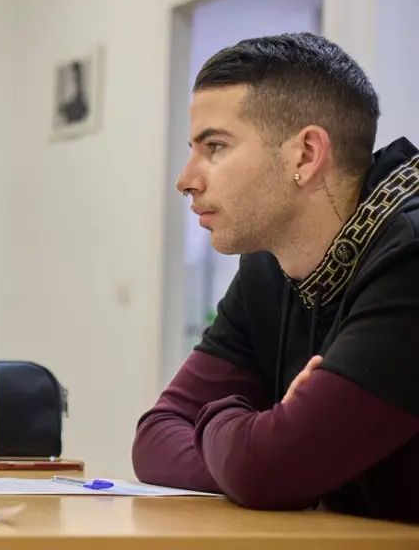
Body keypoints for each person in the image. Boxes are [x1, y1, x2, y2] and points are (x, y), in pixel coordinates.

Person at [132, 32, 419, 523]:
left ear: (306, 155)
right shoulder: (271, 263)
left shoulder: (411, 251)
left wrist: (225, 422)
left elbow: (270, 471)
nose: (186, 179)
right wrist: (262, 438)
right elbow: (156, 436)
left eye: (215, 147)